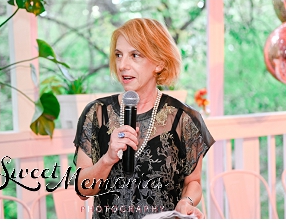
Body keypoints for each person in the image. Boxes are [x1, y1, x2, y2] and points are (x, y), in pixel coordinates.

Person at [73, 18, 214, 219]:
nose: (122, 65)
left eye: (135, 55)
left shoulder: (185, 119)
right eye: (119, 55)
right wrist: (108, 159)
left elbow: (194, 182)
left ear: (159, 62)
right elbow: (82, 189)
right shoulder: (97, 113)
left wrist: (186, 201)